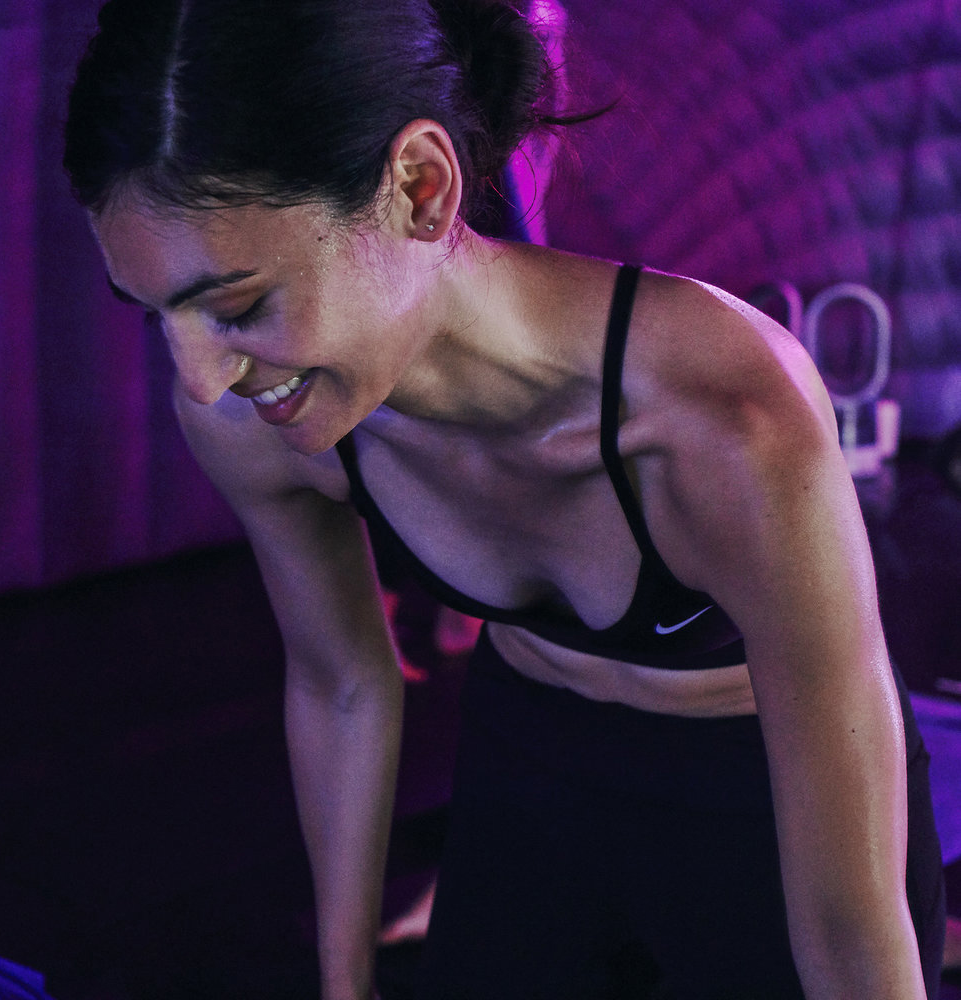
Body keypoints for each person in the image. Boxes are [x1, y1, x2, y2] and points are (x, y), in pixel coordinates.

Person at [63, 1, 947, 997]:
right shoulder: (248, 421)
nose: (200, 380)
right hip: (527, 766)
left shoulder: (725, 416)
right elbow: (342, 683)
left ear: (419, 188)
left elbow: (849, 930)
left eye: (237, 307)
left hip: (754, 787)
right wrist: (343, 982)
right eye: (159, 318)